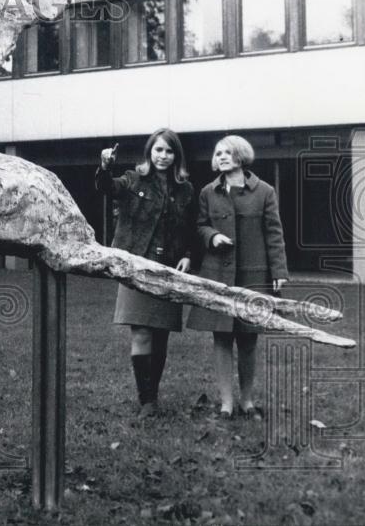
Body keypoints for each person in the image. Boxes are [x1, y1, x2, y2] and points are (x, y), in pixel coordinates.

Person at [185, 135, 288, 420]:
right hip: (218, 275)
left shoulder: (264, 191)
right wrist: (212, 236)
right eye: (218, 153)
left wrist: (279, 272)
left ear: (241, 156)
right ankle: (226, 404)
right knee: (221, 337)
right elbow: (200, 226)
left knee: (248, 339)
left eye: (227, 152)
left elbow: (274, 234)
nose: (221, 157)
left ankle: (247, 401)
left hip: (253, 275)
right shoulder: (208, 192)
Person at [96, 128, 195, 417]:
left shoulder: (185, 189)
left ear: (176, 155)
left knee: (161, 334)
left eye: (169, 151)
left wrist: (188, 256)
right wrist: (104, 167)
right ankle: (146, 401)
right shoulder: (132, 178)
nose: (163, 156)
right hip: (134, 266)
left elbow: (189, 229)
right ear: (149, 152)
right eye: (158, 150)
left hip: (168, 269)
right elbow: (107, 187)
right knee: (141, 332)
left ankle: (153, 395)